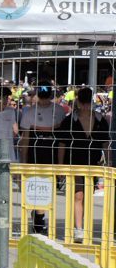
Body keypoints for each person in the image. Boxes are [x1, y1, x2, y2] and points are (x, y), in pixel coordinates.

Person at [56, 87, 111, 242]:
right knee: (78, 195)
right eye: (84, 102)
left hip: (93, 164)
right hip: (74, 162)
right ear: (78, 102)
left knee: (87, 195)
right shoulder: (69, 120)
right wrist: (60, 166)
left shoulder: (101, 120)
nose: (86, 106)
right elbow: (62, 144)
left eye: (88, 102)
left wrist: (109, 162)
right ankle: (78, 228)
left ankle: (81, 225)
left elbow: (105, 143)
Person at [18, 81, 65, 234]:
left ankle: (39, 216)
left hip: (52, 154)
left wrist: (60, 163)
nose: (44, 101)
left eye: (46, 97)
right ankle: (39, 218)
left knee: (47, 187)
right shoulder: (29, 112)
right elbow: (25, 138)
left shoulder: (59, 110)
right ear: (38, 95)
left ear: (50, 95)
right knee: (36, 187)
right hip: (34, 154)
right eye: (42, 97)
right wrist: (23, 160)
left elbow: (63, 139)